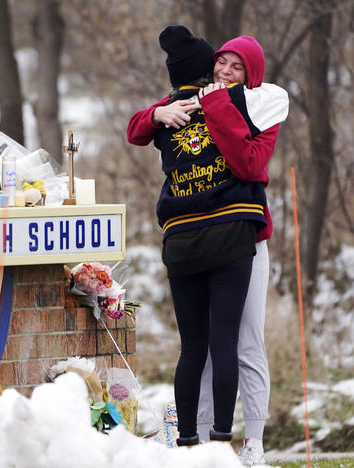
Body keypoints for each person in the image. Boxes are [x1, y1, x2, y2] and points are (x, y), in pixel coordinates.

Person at [126, 26, 283, 450]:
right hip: (196, 234)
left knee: (245, 343)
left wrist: (217, 105)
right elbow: (138, 127)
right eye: (222, 63)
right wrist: (159, 114)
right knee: (204, 349)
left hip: (246, 239)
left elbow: (247, 164)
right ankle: (201, 442)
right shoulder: (194, 96)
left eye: (238, 68)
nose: (227, 72)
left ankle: (253, 443)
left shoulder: (260, 107)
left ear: (251, 76)